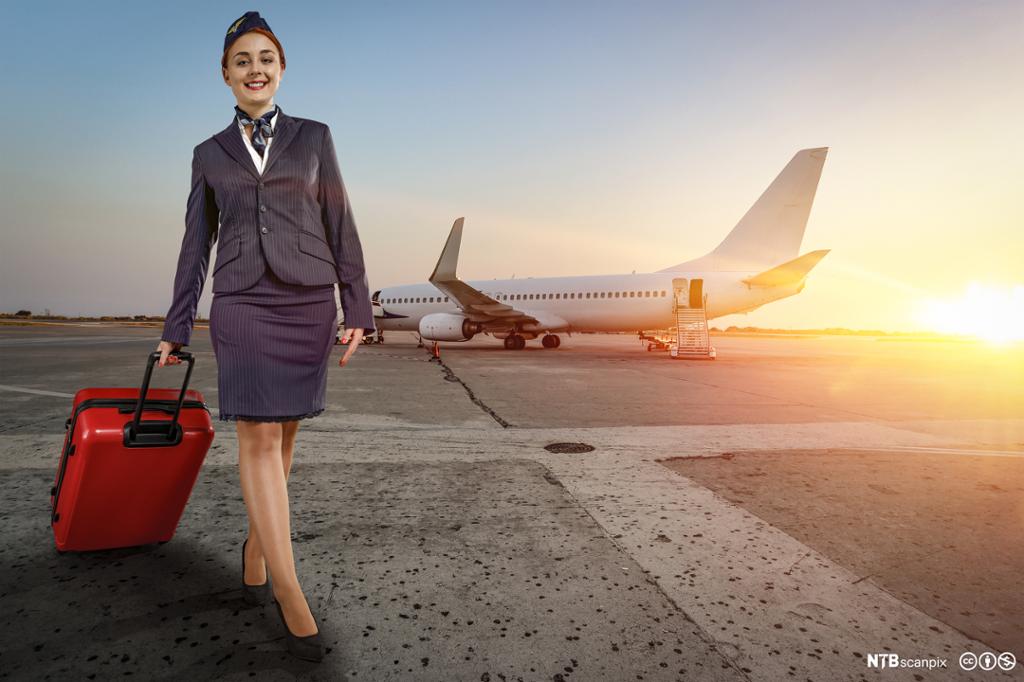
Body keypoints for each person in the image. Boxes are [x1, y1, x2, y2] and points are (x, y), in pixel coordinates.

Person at [155, 11, 374, 662]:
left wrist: (355, 303)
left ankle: (257, 548)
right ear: (225, 75)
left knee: (284, 439)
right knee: (255, 435)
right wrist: (176, 324)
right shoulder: (208, 154)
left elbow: (340, 223)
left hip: (307, 302)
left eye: (266, 59)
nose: (256, 69)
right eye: (243, 60)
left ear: (281, 70)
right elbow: (195, 246)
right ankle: (290, 590)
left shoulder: (315, 138)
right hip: (244, 302)